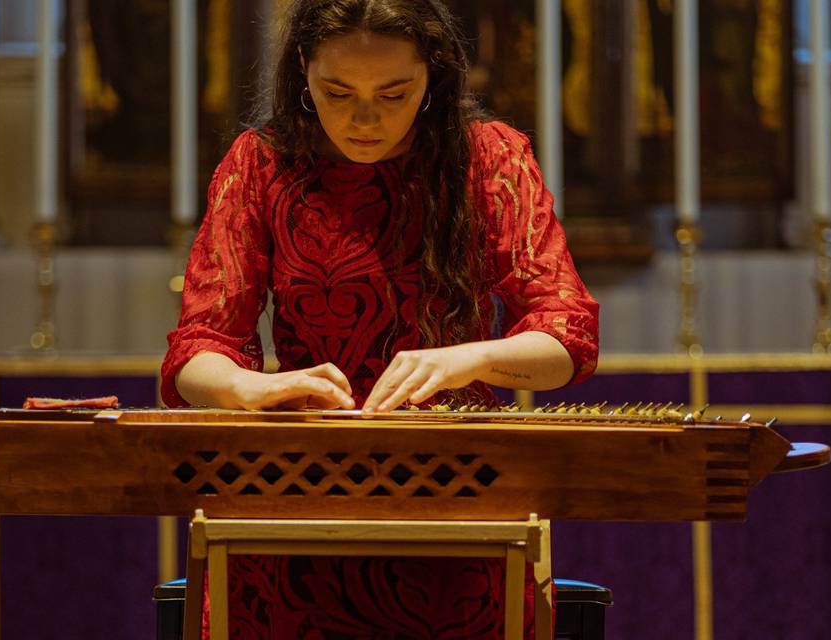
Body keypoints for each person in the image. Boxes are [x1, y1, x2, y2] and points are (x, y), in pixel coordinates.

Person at [161, 0, 599, 636]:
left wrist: (466, 358)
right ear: (303, 69)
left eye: (395, 94)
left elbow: (569, 337)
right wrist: (251, 388)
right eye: (337, 93)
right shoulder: (261, 163)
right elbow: (197, 348)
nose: (364, 120)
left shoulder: (488, 158)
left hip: (458, 506)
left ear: (435, 76)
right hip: (294, 502)